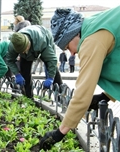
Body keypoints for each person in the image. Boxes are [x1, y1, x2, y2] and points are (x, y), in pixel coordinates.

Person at [39, 6, 120, 150]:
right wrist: (105, 96)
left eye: (67, 47)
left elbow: (82, 93)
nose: (71, 53)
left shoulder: (91, 40)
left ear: (73, 35)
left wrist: (59, 133)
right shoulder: (95, 24)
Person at [6, 25, 59, 99]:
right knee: (25, 71)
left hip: (43, 38)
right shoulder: (13, 46)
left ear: (28, 43)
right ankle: (28, 97)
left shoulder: (41, 41)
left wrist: (51, 78)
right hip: (31, 46)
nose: (24, 52)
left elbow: (52, 60)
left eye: (25, 49)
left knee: (52, 68)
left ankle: (60, 98)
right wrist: (17, 74)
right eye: (21, 51)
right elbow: (9, 60)